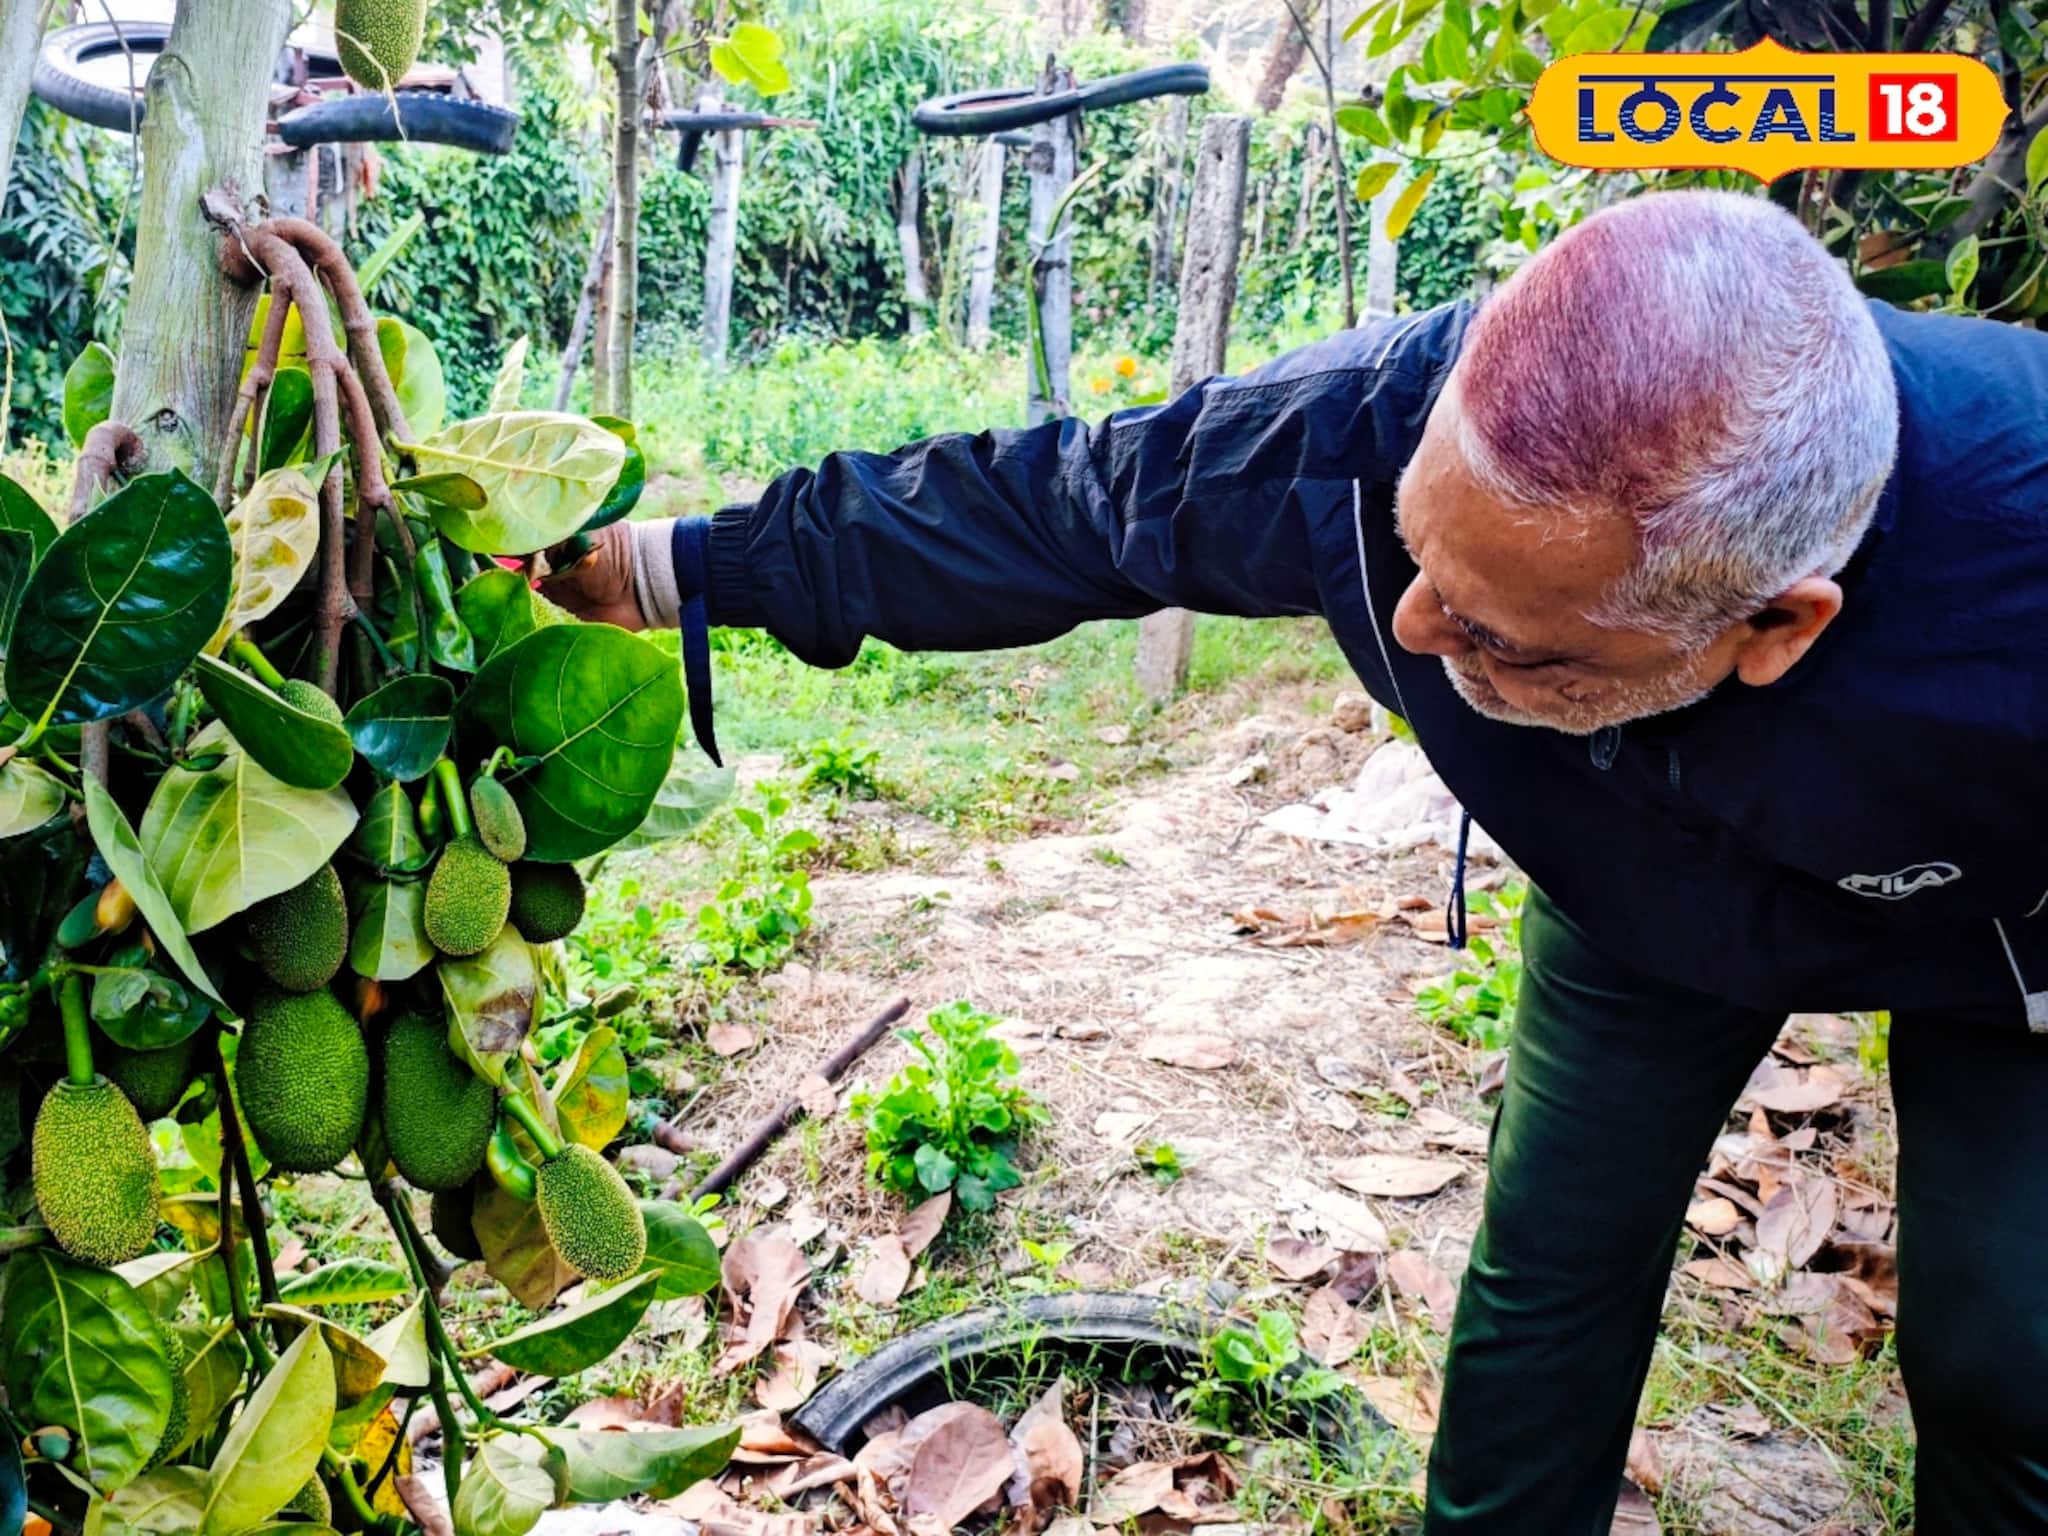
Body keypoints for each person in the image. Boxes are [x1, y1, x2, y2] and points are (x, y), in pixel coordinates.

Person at [543, 190, 2048, 1533]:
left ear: (1778, 625)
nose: (1411, 635)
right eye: (1419, 559)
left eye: (1495, 634)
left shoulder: (2022, 571)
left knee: (2010, 1356)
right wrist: (663, 568)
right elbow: (1046, 508)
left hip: (2005, 939)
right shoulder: (1361, 429)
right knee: (1555, 1273)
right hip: (1639, 894)